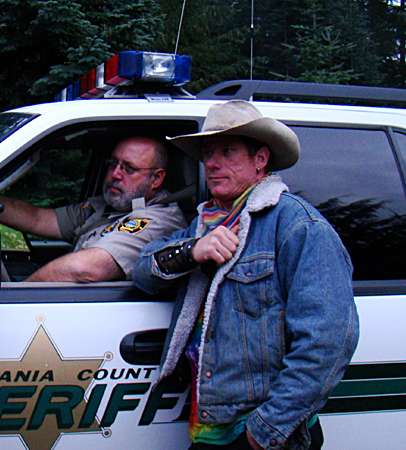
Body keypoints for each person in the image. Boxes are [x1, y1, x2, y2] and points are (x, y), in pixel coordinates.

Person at [133, 100, 359, 450]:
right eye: (208, 153)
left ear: (260, 160)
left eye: (228, 151)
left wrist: (265, 430)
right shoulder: (206, 223)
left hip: (261, 436)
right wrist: (193, 251)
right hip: (211, 429)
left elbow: (327, 341)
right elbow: (142, 270)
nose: (213, 163)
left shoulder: (299, 226)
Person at [0, 136, 187, 282]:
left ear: (156, 179)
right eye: (112, 163)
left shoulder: (158, 220)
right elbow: (39, 219)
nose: (115, 174)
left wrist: (18, 297)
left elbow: (84, 269)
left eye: (128, 168)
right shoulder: (105, 206)